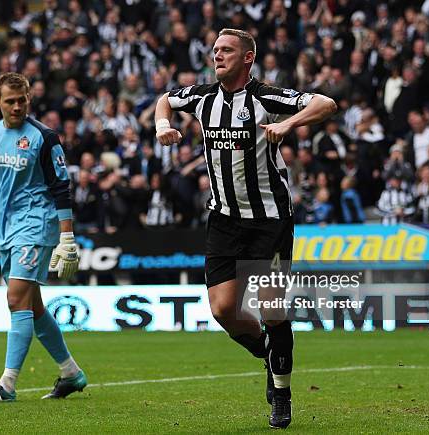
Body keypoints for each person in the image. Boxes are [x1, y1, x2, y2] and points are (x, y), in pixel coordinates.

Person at [154, 29, 337, 429]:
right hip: (223, 218)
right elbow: (165, 99)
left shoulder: (265, 97)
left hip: (269, 219)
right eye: (215, 50)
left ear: (248, 58)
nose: (217, 55)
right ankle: (270, 354)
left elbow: (326, 103)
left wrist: (290, 125)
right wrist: (161, 126)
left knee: (272, 310)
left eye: (227, 50)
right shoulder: (202, 97)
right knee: (222, 310)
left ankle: (282, 392)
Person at [0, 73, 86, 402]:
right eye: (10, 101)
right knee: (33, 307)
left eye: (22, 99)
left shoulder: (44, 137)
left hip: (37, 224)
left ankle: (7, 385)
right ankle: (71, 373)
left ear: (29, 99)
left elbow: (60, 188)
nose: (17, 106)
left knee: (15, 299)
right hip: (6, 229)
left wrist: (67, 238)